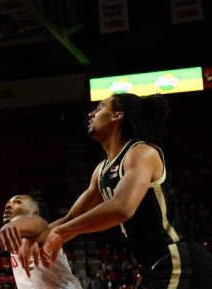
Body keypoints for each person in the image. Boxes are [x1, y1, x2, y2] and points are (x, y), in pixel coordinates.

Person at [24, 94, 212, 288]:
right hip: (157, 265)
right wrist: (32, 239)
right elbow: (70, 218)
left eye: (99, 108)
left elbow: (122, 208)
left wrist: (60, 232)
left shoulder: (141, 152)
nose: (91, 114)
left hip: (179, 258)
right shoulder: (101, 171)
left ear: (117, 116)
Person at [0, 194, 81, 289]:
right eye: (7, 204)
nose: (8, 206)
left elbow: (39, 223)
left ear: (35, 213)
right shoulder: (19, 237)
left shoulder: (39, 233)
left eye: (18, 202)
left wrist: (11, 226)